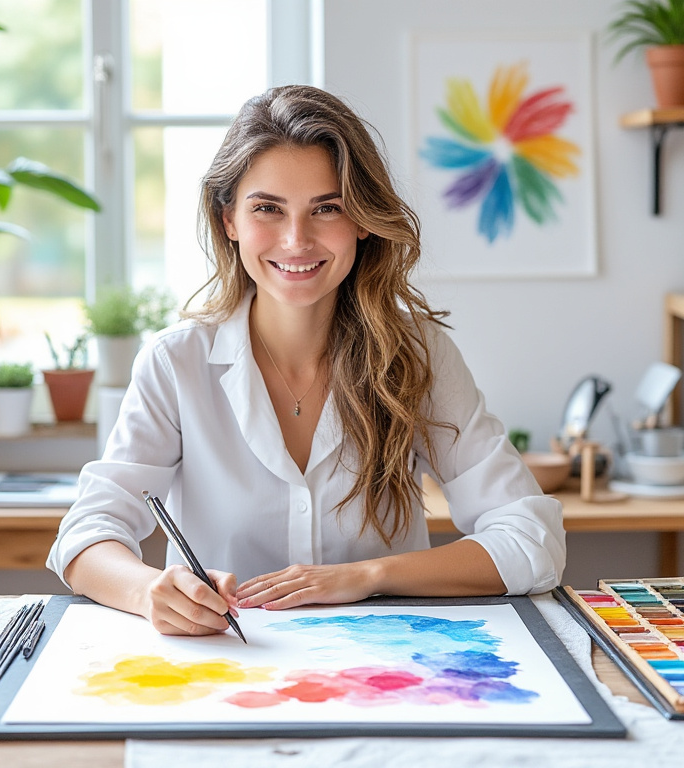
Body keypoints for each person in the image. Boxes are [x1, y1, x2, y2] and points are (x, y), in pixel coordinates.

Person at [46, 85, 565, 638]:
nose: (296, 240)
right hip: (224, 674)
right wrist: (148, 591)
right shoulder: (176, 362)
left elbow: (532, 537)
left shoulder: (418, 354)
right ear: (229, 220)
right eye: (267, 208)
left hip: (388, 673)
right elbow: (86, 533)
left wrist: (367, 576)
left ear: (363, 221)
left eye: (327, 208)